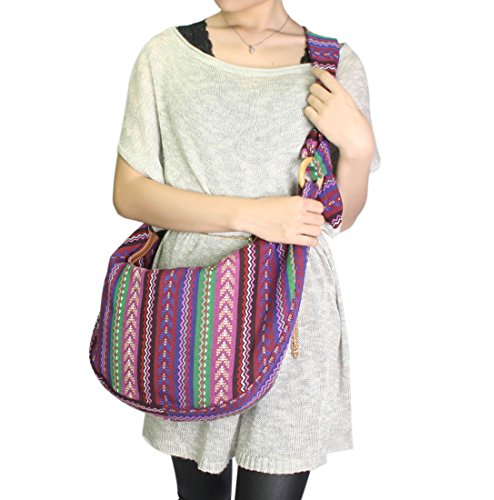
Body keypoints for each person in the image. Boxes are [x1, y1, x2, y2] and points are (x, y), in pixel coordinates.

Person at [112, 2, 381, 499]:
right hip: (192, 311)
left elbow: (339, 216)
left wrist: (359, 149)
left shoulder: (334, 65)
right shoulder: (165, 56)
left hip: (293, 312)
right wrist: (251, 214)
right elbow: (129, 194)